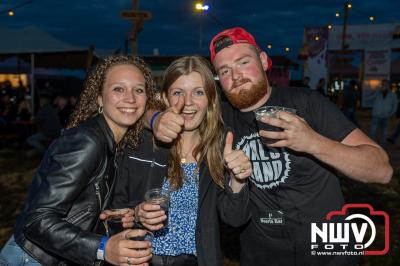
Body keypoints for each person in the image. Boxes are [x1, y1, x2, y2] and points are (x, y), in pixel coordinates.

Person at [149, 27, 393, 265]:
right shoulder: (220, 119)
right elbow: (134, 109)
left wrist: (313, 142)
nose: (235, 76)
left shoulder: (308, 103)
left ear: (264, 61)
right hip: (261, 255)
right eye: (224, 70)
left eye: (243, 62)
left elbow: (381, 170)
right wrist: (155, 118)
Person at [0, 55, 160, 266]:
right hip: (33, 259)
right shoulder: (88, 141)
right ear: (99, 98)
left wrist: (114, 215)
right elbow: (37, 220)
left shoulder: (109, 142)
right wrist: (103, 248)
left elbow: (79, 207)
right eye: (118, 89)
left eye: (138, 90)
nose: (130, 98)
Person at [116, 56, 251, 266]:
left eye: (198, 92)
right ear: (165, 98)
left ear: (210, 100)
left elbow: (235, 219)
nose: (187, 102)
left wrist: (238, 180)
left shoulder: (220, 147)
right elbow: (114, 205)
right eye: (178, 93)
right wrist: (136, 213)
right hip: (142, 260)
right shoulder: (142, 144)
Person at [369, 79, 398, 147]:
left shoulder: (392, 94)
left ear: (388, 85)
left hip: (386, 116)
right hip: (376, 115)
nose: (384, 86)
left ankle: (382, 145)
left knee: (384, 132)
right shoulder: (377, 93)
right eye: (383, 84)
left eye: (386, 84)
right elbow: (369, 98)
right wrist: (376, 91)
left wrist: (390, 113)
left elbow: (395, 105)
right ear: (381, 85)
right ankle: (372, 145)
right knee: (373, 131)